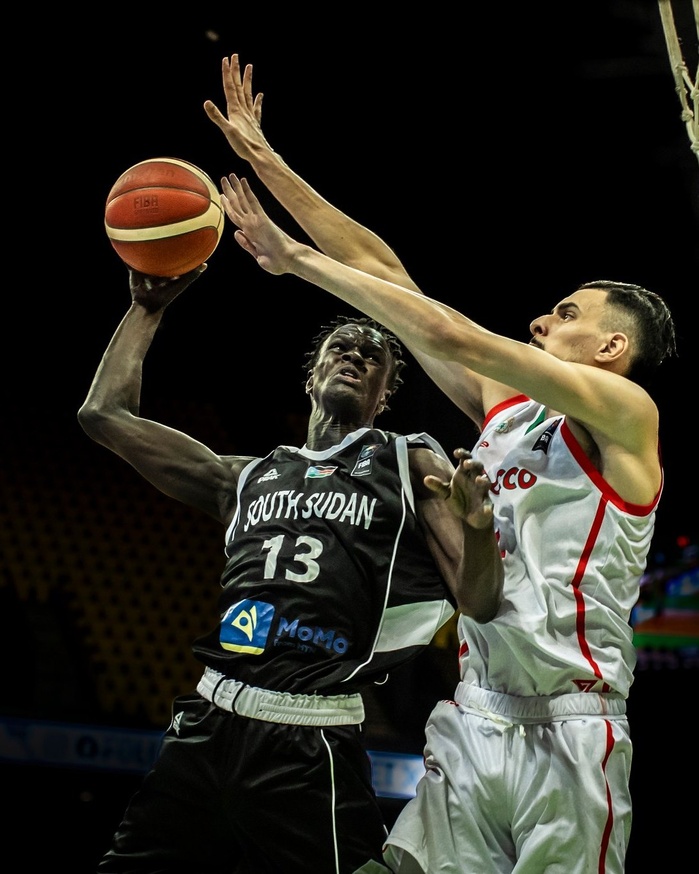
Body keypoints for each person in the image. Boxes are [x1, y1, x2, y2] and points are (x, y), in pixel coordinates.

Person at [204, 54, 678, 874]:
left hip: (572, 730)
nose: (537, 319)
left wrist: (297, 262)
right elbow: (390, 277)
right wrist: (265, 160)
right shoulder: (505, 410)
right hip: (473, 716)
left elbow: (450, 332)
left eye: (563, 313)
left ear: (611, 348)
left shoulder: (627, 419)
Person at [77, 263, 503, 873]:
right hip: (207, 722)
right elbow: (104, 417)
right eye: (341, 348)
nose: (356, 355)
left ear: (385, 395)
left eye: (373, 354)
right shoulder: (243, 476)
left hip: (312, 736)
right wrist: (147, 310)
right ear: (312, 375)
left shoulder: (407, 460)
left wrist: (481, 527)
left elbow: (479, 599)